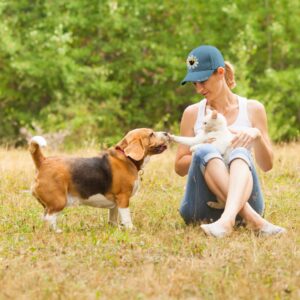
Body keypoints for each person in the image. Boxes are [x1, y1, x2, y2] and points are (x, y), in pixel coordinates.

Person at [174, 45, 286, 237]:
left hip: (249, 197)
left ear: (220, 73)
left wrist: (256, 135)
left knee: (240, 152)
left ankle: (227, 220)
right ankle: (253, 220)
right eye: (194, 84)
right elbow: (179, 167)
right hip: (201, 208)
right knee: (203, 151)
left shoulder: (253, 108)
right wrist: (208, 150)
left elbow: (267, 166)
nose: (199, 89)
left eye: (202, 81)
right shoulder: (192, 113)